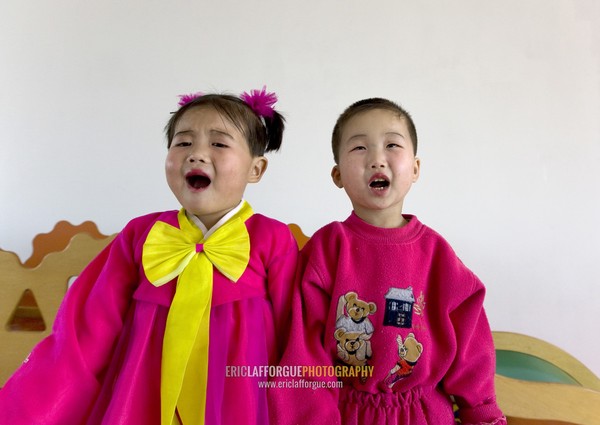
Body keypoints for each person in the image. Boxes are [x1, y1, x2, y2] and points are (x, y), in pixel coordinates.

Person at [0, 87, 298, 425]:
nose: (196, 154)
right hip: (143, 396)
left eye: (218, 143)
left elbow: (294, 332)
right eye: (183, 142)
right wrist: (32, 405)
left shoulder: (272, 238)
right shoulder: (141, 235)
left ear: (255, 169)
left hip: (239, 396)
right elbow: (91, 328)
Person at [270, 98, 506, 425]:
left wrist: (481, 411)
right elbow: (304, 351)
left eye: (392, 145)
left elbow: (471, 344)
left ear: (416, 168)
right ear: (337, 174)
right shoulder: (328, 248)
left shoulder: (438, 254)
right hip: (344, 412)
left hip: (425, 414)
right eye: (359, 149)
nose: (377, 159)